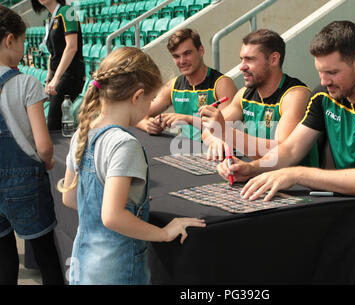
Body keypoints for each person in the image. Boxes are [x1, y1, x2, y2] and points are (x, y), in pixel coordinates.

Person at [217, 21, 355, 261]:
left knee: (346, 251)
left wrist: (297, 174)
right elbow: (291, 149)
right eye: (320, 72)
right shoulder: (323, 95)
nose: (324, 81)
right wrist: (252, 168)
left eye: (332, 72)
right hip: (348, 200)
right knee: (281, 239)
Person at [57, 47, 206, 285]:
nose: (150, 107)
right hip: (117, 269)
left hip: (83, 263)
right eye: (151, 100)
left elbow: (70, 198)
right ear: (137, 96)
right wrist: (164, 233)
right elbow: (112, 216)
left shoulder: (83, 133)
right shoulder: (124, 144)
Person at [0, 5, 64, 285]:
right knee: (46, 255)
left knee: (3, 256)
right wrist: (47, 161)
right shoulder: (26, 83)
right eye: (23, 41)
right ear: (9, 39)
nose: (24, 48)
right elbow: (44, 145)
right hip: (25, 182)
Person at [199, 29, 318, 166]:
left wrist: (225, 133)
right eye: (242, 59)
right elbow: (208, 129)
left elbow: (282, 152)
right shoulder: (244, 94)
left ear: (274, 59)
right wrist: (216, 139)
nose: (242, 67)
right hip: (259, 173)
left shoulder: (295, 95)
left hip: (295, 184)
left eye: (250, 59)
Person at [136, 28, 237, 142]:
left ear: (201, 51)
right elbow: (136, 113)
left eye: (187, 53)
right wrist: (147, 125)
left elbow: (226, 128)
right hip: (186, 152)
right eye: (176, 56)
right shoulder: (173, 85)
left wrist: (186, 119)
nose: (182, 61)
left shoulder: (222, 84)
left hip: (217, 153)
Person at [31, 0, 85, 131]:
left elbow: (72, 47)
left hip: (70, 75)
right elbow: (52, 53)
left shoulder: (67, 11)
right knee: (55, 125)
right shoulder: (51, 18)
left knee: (53, 124)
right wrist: (49, 78)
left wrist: (56, 78)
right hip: (58, 76)